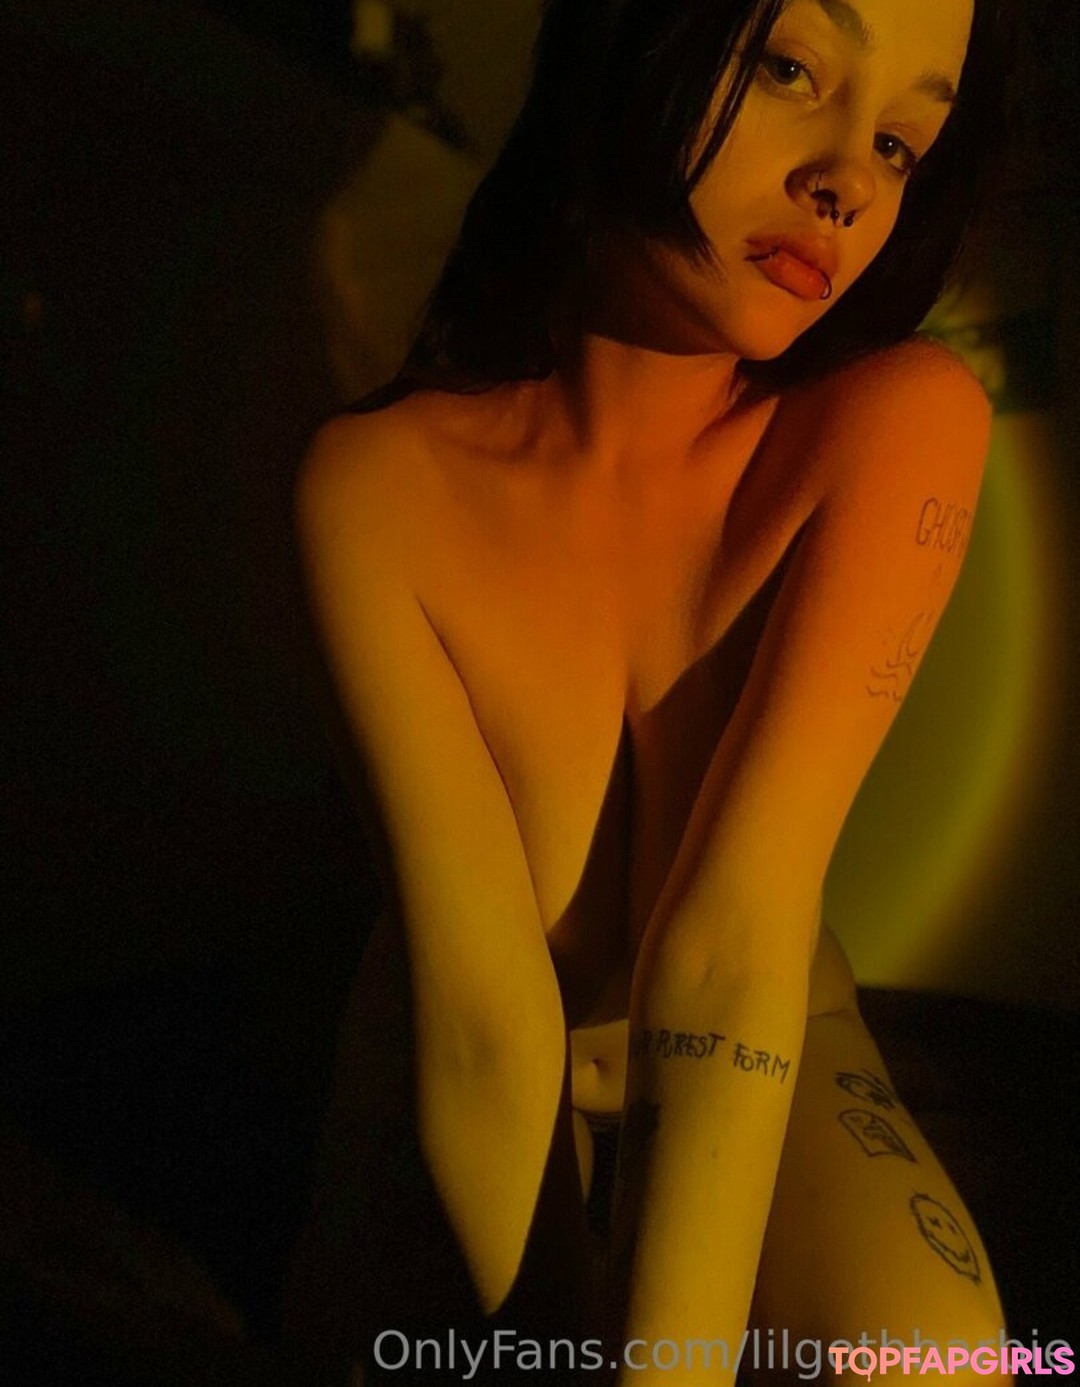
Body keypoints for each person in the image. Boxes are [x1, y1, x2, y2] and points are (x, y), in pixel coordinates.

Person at [282, 0, 1014, 1382]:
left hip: (774, 1043)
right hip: (468, 1059)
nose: (849, 182)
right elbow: (484, 1019)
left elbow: (734, 948)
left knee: (942, 1364)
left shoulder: (897, 423)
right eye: (792, 68)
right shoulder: (374, 491)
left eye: (904, 144)